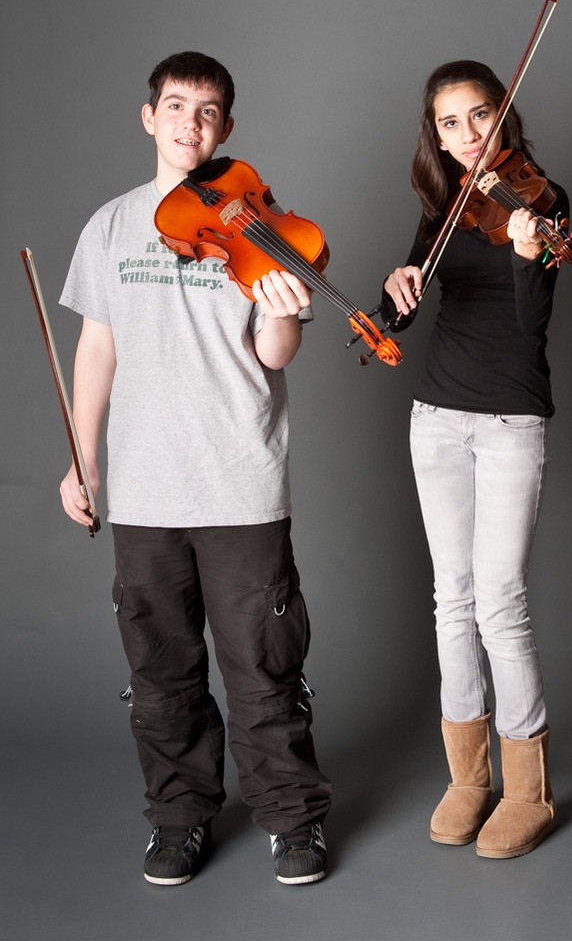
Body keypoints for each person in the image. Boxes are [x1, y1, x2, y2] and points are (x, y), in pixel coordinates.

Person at [59, 52, 332, 885]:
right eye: (176, 108)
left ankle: (293, 820)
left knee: (264, 671)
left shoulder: (260, 225)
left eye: (208, 113)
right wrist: (83, 458)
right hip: (144, 489)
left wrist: (291, 309)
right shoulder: (110, 227)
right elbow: (98, 347)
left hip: (240, 480)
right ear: (150, 117)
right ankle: (179, 818)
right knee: (160, 673)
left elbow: (272, 352)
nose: (190, 126)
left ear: (227, 128)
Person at [383, 59, 569, 859]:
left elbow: (529, 327)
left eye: (480, 116)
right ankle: (469, 777)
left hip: (508, 424)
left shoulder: (541, 201)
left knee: (500, 600)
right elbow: (404, 311)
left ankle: (529, 790)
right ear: (436, 133)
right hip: (436, 419)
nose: (467, 135)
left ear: (505, 116)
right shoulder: (443, 205)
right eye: (449, 123)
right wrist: (394, 285)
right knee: (450, 599)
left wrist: (529, 253)